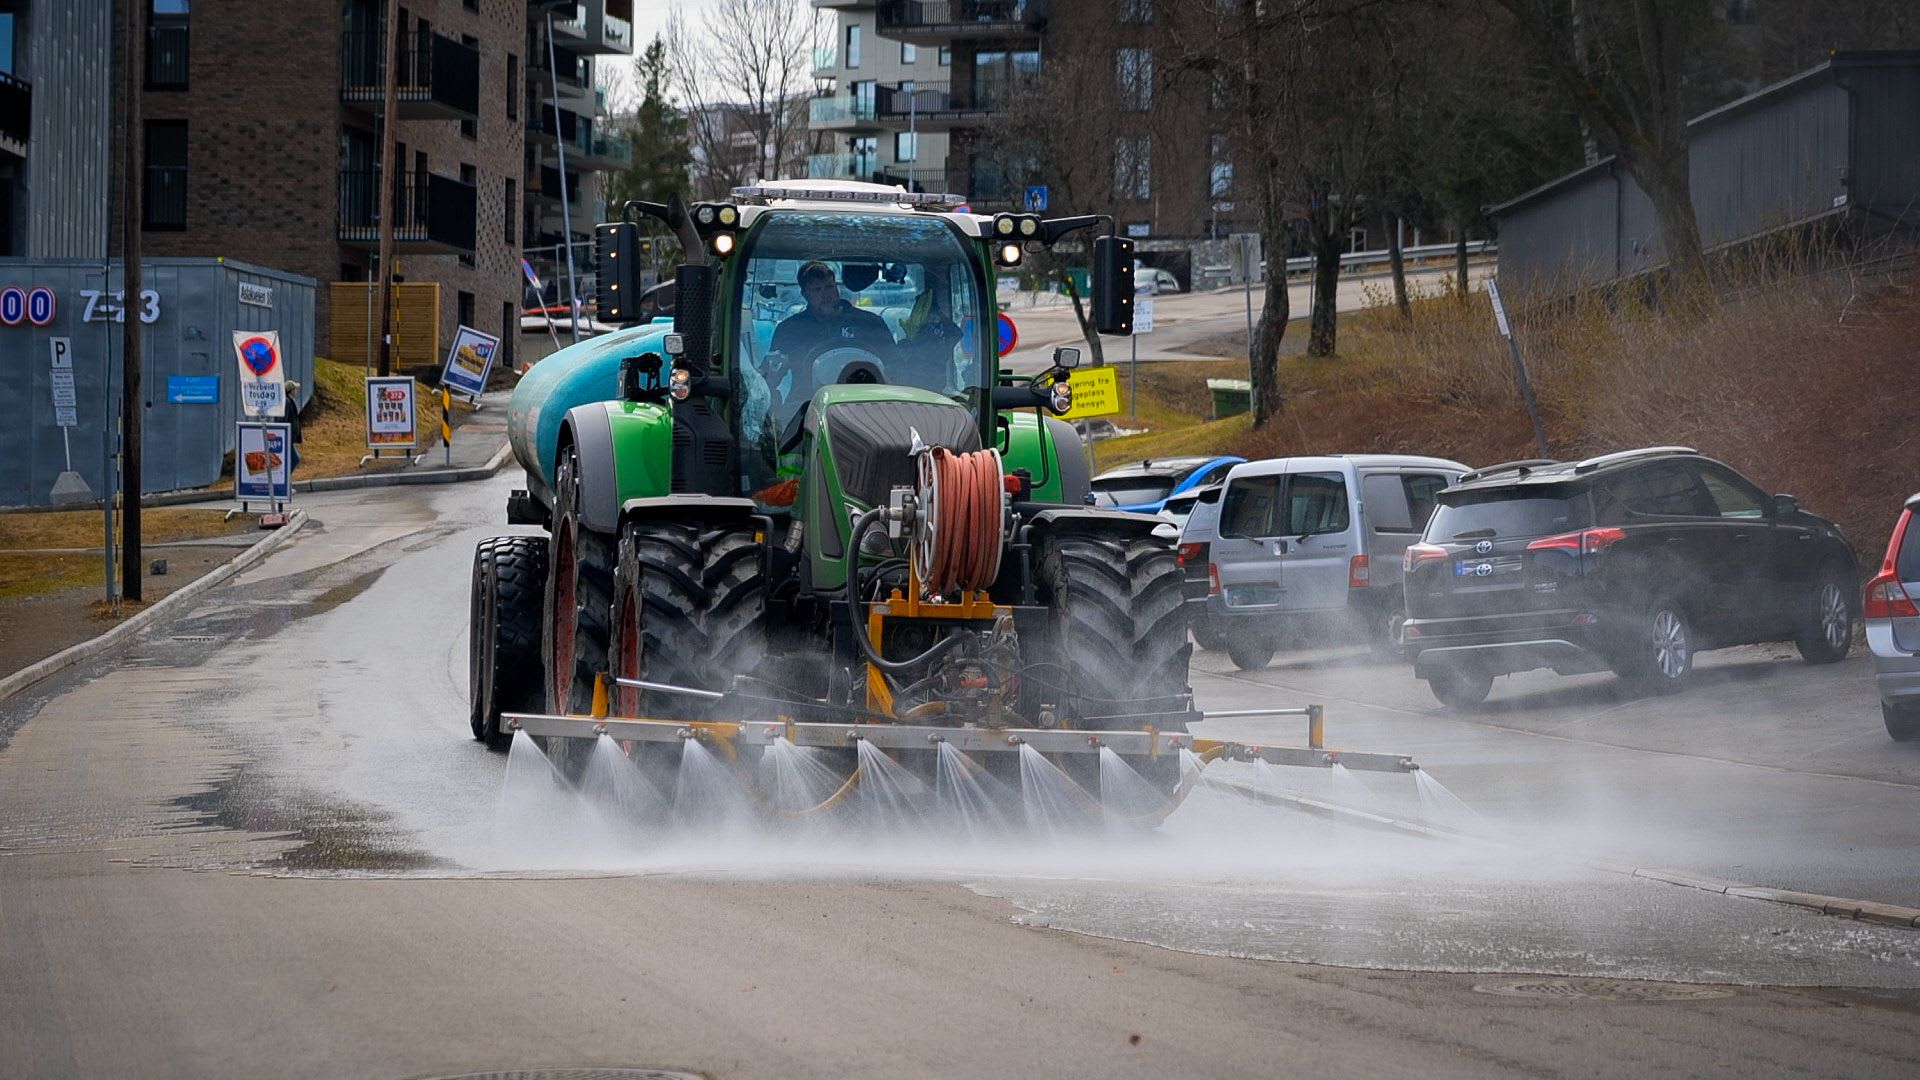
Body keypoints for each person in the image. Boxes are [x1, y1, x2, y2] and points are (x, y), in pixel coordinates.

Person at [768, 261, 896, 377]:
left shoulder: (870, 323)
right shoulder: (790, 330)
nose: (825, 295)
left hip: (863, 398)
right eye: (817, 289)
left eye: (829, 286)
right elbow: (770, 377)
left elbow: (896, 366)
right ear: (805, 294)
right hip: (805, 401)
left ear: (836, 287)